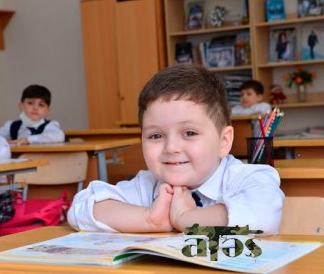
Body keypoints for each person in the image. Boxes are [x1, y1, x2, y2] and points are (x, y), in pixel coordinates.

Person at [67, 64, 284, 235]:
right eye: (156, 136)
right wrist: (148, 219)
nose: (171, 148)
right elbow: (81, 207)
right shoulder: (148, 185)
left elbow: (264, 212)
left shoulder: (246, 178)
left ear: (223, 142)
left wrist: (187, 218)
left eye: (189, 133)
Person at [0, 84, 65, 145]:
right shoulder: (12, 126)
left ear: (47, 111)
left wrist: (28, 140)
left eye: (41, 105)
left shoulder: (49, 126)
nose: (35, 108)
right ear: (21, 106)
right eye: (30, 103)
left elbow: (59, 136)